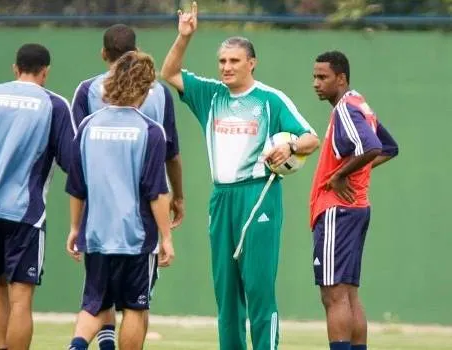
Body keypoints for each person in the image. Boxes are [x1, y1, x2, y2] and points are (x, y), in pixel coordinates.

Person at [160, 2, 320, 349]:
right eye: (222, 61)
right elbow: (169, 72)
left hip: (258, 196)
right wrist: (184, 37)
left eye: (234, 61)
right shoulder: (210, 95)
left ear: (251, 63)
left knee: (259, 289)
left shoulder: (269, 99)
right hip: (222, 198)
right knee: (226, 294)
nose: (226, 67)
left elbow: (312, 138)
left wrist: (290, 148)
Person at [0, 43, 74, 350]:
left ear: (15, 68)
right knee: (21, 296)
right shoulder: (54, 105)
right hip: (25, 213)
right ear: (45, 72)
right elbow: (72, 163)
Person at [70, 23, 184, 349]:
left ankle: (78, 343)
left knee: (93, 301)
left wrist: (76, 227)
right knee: (135, 305)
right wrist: (166, 237)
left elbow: (77, 183)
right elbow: (155, 190)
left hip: (96, 226)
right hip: (135, 232)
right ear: (143, 88)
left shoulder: (90, 125)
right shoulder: (149, 130)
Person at [310, 50, 399, 350]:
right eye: (315, 77)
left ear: (341, 78)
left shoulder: (345, 109)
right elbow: (389, 147)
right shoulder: (359, 103)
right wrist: (354, 174)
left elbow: (373, 146)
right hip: (356, 208)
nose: (316, 83)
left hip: (338, 209)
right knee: (348, 295)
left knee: (333, 295)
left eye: (323, 77)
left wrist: (339, 176)